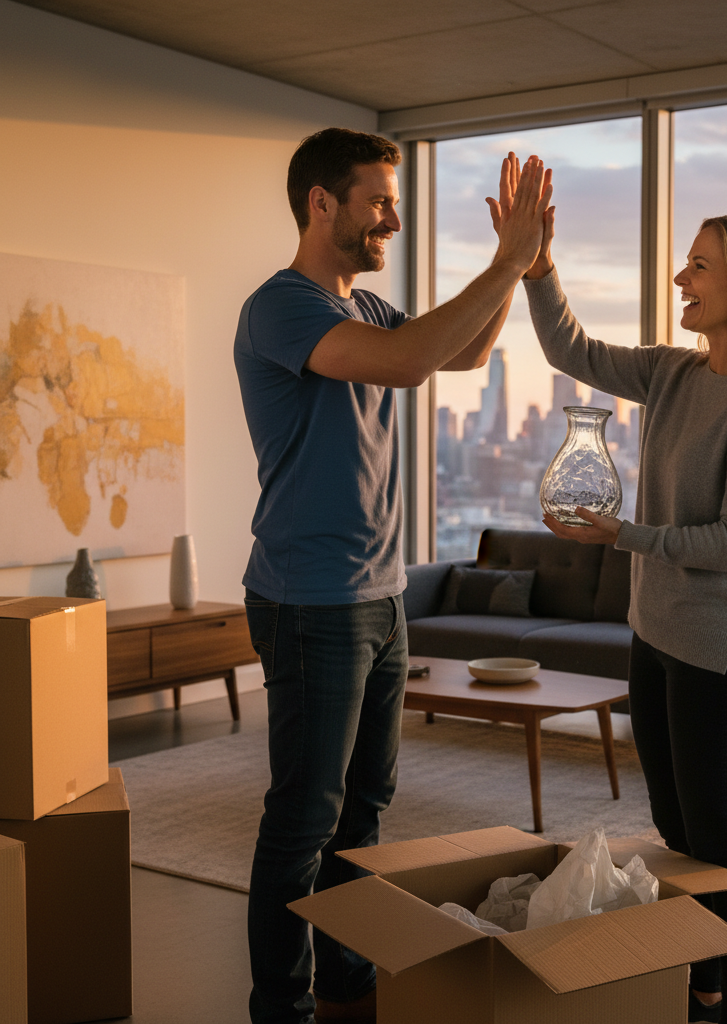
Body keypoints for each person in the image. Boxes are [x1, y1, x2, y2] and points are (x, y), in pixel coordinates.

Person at [233, 128, 551, 1024]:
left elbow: (465, 353)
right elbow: (412, 364)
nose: (394, 220)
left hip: (381, 595)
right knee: (305, 816)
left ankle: (345, 976)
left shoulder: (368, 307)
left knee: (364, 808)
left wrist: (519, 264)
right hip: (309, 599)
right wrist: (506, 260)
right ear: (320, 203)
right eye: (378, 201)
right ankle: (281, 1005)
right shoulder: (280, 308)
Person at [522, 206, 727, 1024]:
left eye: (699, 265)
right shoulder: (674, 373)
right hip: (653, 633)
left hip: (717, 647)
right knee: (675, 830)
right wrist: (539, 267)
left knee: (718, 839)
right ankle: (704, 983)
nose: (681, 278)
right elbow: (571, 350)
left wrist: (625, 535)